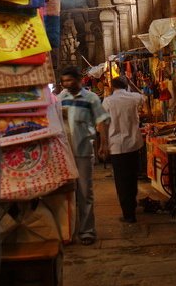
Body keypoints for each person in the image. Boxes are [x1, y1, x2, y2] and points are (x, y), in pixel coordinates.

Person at [57, 65, 110, 245]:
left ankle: (87, 231)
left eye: (69, 80)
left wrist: (104, 144)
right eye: (63, 81)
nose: (66, 84)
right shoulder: (60, 99)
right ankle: (68, 232)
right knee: (66, 193)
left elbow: (101, 122)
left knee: (85, 193)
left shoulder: (91, 98)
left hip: (83, 152)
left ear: (78, 79)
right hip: (65, 154)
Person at [102, 76, 144, 224]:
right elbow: (142, 95)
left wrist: (104, 144)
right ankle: (132, 206)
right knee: (132, 178)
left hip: (117, 146)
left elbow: (103, 124)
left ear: (112, 87)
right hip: (133, 144)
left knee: (121, 181)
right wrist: (131, 85)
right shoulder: (134, 97)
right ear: (126, 85)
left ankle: (128, 214)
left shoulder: (107, 101)